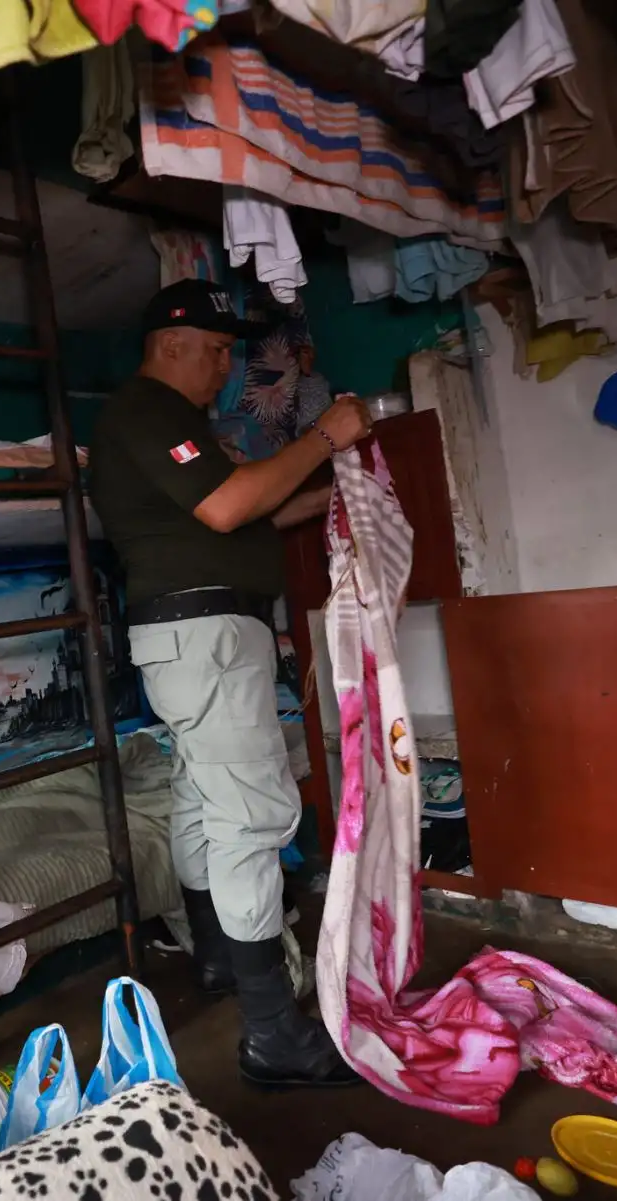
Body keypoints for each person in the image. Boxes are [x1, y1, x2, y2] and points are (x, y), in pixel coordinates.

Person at [90, 280, 372, 1089]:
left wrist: (329, 493)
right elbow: (226, 508)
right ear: (169, 343)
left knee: (203, 798)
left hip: (196, 634)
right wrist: (323, 434)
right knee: (253, 814)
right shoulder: (147, 413)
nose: (224, 368)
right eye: (215, 350)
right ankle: (273, 1033)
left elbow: (247, 508)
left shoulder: (179, 428)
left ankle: (219, 957)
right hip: (204, 634)